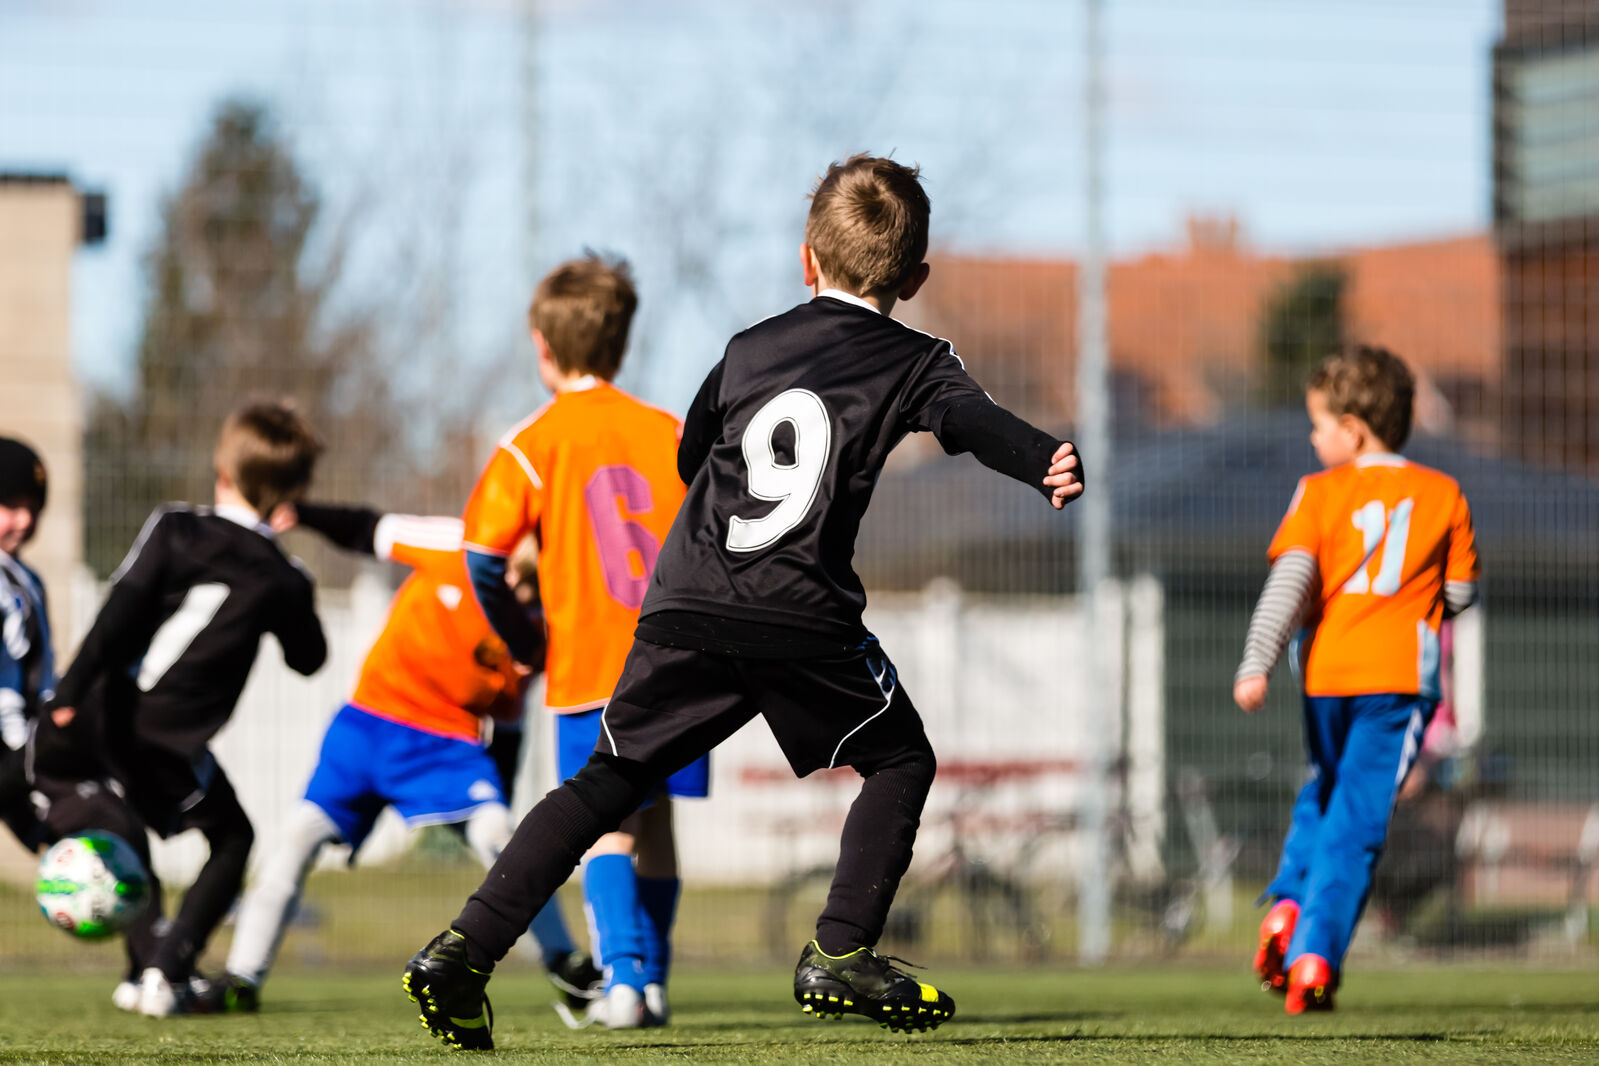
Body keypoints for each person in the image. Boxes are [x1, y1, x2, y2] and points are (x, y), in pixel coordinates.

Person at [401, 154, 1083, 1051]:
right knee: (900, 761)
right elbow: (974, 421)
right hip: (802, 615)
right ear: (915, 280)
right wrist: (1043, 459)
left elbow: (694, 457)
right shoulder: (918, 361)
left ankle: (463, 951)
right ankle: (840, 950)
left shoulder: (747, 348)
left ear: (807, 259)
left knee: (604, 782)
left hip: (685, 604)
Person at [222, 503, 599, 1011]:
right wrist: (304, 512)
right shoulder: (456, 546)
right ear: (504, 560)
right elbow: (370, 529)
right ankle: (241, 980)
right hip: (368, 725)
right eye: (517, 580)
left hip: (446, 746)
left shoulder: (537, 630)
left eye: (534, 590)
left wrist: (500, 798)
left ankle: (565, 964)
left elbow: (508, 723)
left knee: (502, 836)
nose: (521, 597)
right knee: (297, 837)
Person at [455, 254, 699, 1030]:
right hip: (686, 665)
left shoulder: (531, 443)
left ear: (541, 346)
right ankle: (653, 982)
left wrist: (525, 637)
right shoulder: (670, 431)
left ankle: (622, 984)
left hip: (593, 670)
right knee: (657, 821)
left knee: (604, 826)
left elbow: (483, 557)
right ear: (621, 344)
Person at [35, 400, 329, 1017]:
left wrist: (67, 694)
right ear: (290, 496)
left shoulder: (173, 525)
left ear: (221, 470)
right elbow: (310, 659)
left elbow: (120, 611)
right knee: (233, 837)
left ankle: (142, 971)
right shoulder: (284, 576)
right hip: (168, 741)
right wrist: (293, 592)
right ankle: (165, 975)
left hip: (103, 713)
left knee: (130, 823)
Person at [1233, 345, 1479, 1014]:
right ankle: (1315, 954)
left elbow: (1288, 584)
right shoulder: (1442, 493)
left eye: (1317, 425)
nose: (1312, 439)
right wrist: (1416, 598)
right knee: (1359, 820)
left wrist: (1255, 661)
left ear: (1353, 428)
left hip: (1326, 674)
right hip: (1397, 679)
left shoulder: (1318, 493)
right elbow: (1458, 592)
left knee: (1324, 788)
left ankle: (1286, 904)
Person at [0, 437, 55, 851]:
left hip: (25, 745)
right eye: (12, 507)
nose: (25, 521)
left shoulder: (28, 581)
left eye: (33, 509)